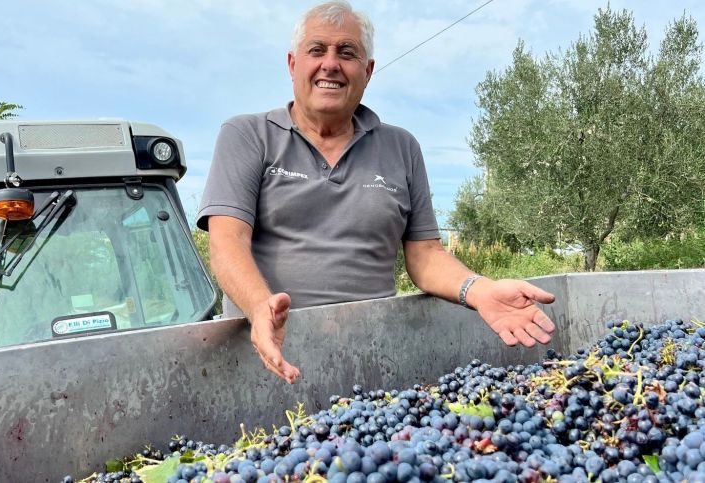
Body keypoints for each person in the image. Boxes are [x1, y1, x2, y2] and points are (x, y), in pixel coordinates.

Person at [197, 0, 556, 384]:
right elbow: (228, 240)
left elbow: (426, 255)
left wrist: (479, 289)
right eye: (316, 50)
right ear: (292, 64)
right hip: (267, 356)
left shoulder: (402, 148)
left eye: (347, 53)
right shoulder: (247, 135)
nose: (330, 64)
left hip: (370, 360)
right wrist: (259, 308)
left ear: (367, 71)